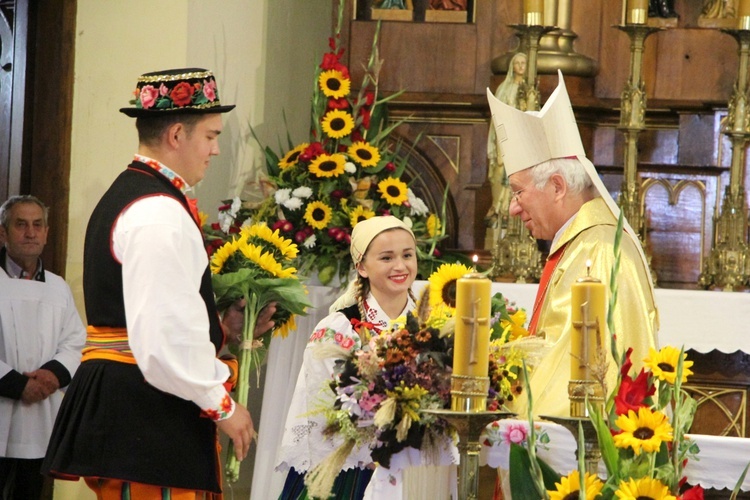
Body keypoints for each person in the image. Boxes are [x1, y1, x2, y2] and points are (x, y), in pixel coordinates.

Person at [42, 68, 274, 498]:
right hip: (147, 417)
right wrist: (222, 405)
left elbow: (147, 316)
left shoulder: (136, 195)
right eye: (209, 135)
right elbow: (161, 337)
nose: (216, 149)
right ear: (175, 135)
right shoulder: (157, 211)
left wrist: (224, 328)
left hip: (137, 410)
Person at [487, 71, 659, 418]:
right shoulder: (582, 243)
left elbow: (572, 372)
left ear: (557, 186)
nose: (512, 206)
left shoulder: (597, 253)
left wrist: (508, 416)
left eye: (519, 191)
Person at [277, 216, 419, 500]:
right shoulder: (337, 328)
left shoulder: (429, 323)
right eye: (386, 257)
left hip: (415, 465)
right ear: (362, 267)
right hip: (348, 466)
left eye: (407, 255)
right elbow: (328, 403)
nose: (400, 266)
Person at [0, 195, 86, 500]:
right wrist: (16, 384)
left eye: (38, 225)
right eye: (20, 224)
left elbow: (75, 341)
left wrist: (51, 376)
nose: (30, 232)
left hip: (40, 416)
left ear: (47, 233)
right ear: (3, 232)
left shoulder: (58, 287)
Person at [485, 52, 528, 248]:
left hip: (520, 140)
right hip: (504, 138)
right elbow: (497, 116)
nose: (520, 66)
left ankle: (516, 215)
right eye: (517, 63)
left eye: (523, 63)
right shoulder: (504, 88)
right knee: (499, 175)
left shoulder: (528, 89)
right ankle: (498, 210)